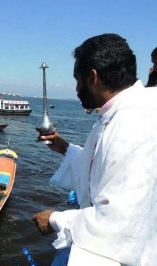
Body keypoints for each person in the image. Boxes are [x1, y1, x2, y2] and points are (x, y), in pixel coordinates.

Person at [32, 34, 157, 265]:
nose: (76, 88)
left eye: (77, 79)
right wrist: (66, 149)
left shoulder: (135, 121)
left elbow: (118, 223)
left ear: (93, 77)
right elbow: (105, 167)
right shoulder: (120, 112)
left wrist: (56, 220)